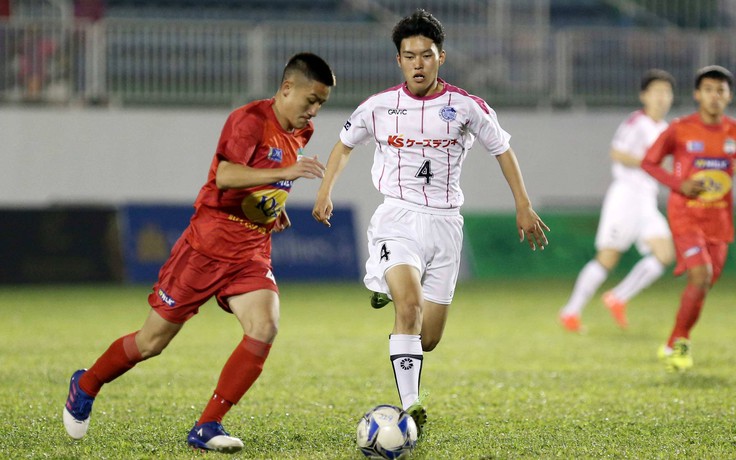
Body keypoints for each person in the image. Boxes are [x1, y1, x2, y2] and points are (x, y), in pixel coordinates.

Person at [62, 53, 336, 452]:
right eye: (310, 100)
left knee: (264, 327)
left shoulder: (301, 132)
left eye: (321, 105)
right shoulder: (248, 121)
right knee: (151, 342)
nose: (313, 112)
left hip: (250, 251)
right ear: (286, 88)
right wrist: (282, 175)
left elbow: (256, 185)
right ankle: (85, 384)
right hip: (205, 248)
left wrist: (270, 208)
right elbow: (226, 175)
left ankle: (208, 425)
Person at [312, 9, 548, 436]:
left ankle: (385, 286)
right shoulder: (379, 107)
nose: (417, 63)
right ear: (397, 61)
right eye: (409, 55)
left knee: (429, 337)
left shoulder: (467, 107)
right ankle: (410, 405)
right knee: (410, 307)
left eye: (426, 54)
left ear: (442, 57)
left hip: (444, 226)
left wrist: (523, 204)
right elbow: (344, 145)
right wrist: (325, 191)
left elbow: (503, 151)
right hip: (397, 217)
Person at [558, 69, 676, 333]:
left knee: (664, 253)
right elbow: (617, 153)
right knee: (608, 258)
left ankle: (618, 297)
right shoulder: (637, 123)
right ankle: (570, 312)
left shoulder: (665, 129)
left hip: (646, 199)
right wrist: (648, 162)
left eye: (666, 92)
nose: (662, 97)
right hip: (626, 196)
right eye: (656, 92)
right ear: (644, 96)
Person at [641, 65, 735, 372]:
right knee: (701, 275)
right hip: (685, 216)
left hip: (720, 220)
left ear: (728, 96)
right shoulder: (680, 128)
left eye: (720, 90)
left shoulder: (733, 131)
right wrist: (678, 184)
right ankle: (682, 343)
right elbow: (649, 163)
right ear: (697, 94)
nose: (714, 96)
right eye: (708, 89)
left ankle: (672, 340)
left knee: (705, 283)